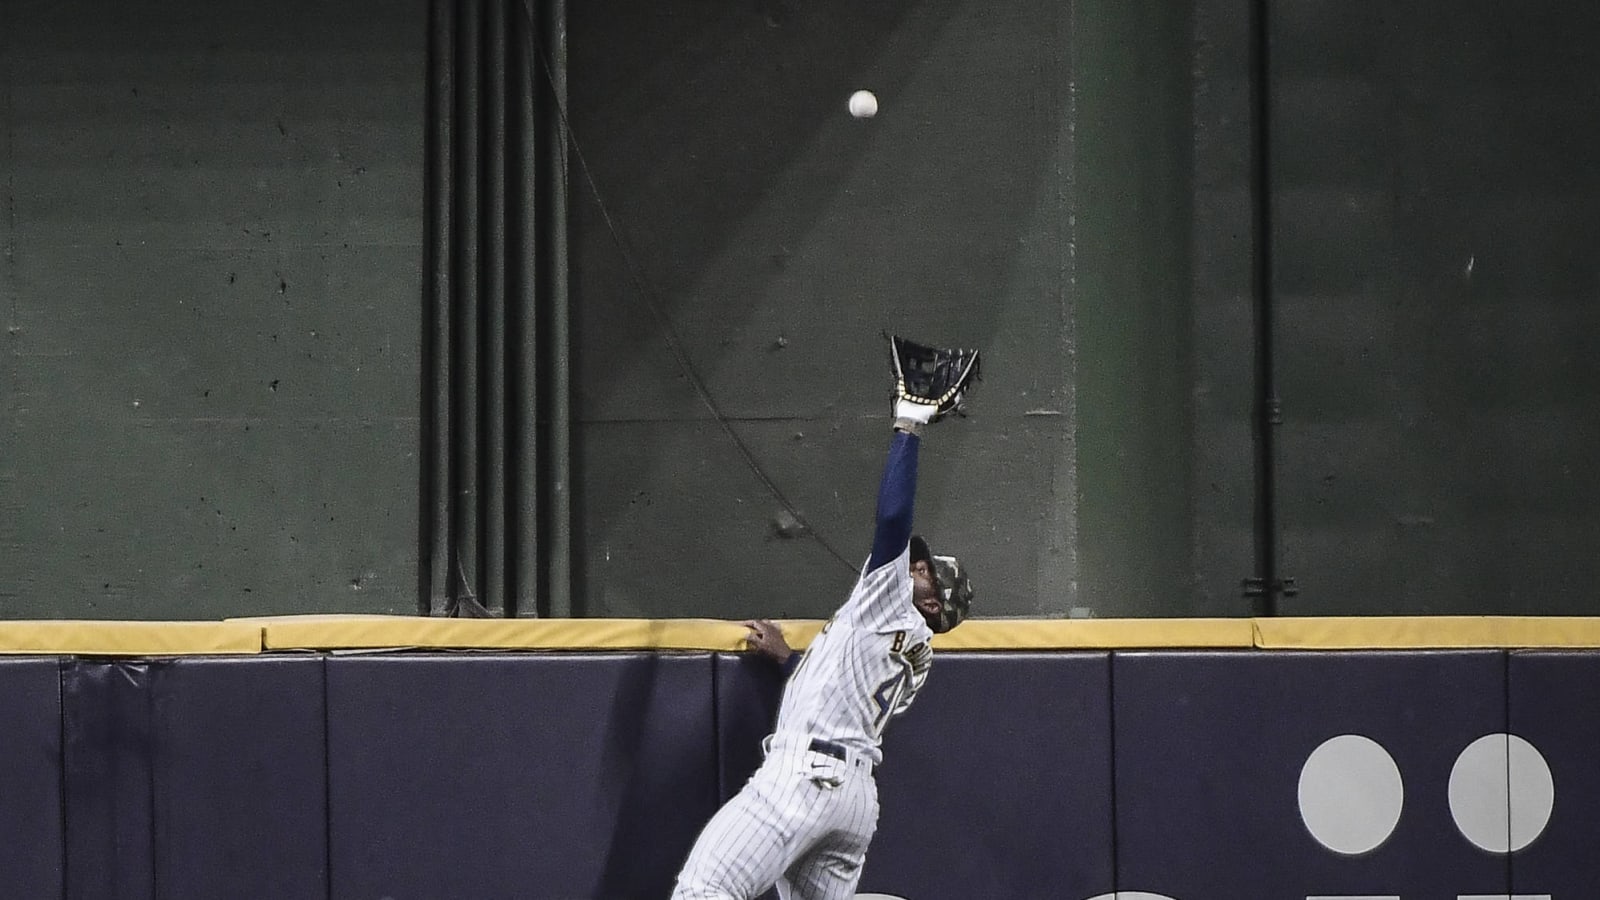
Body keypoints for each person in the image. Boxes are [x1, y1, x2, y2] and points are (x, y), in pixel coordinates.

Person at [670, 393, 975, 900]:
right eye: (915, 565)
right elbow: (846, 694)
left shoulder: (891, 604)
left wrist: (909, 427)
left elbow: (893, 522)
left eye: (924, 574)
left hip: (806, 777)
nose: (911, 570)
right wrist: (791, 662)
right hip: (853, 803)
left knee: (704, 890)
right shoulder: (918, 656)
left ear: (935, 609)